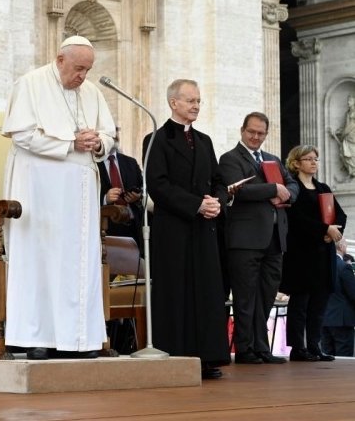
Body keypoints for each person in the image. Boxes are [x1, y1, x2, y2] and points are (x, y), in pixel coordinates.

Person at [2, 35, 116, 360]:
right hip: (40, 190)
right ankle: (37, 338)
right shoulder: (30, 84)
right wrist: (70, 143)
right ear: (60, 59)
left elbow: (109, 134)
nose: (82, 76)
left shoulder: (91, 92)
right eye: (78, 68)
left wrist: (98, 143)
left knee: (79, 262)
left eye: (87, 70)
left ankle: (81, 339)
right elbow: (22, 134)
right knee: (41, 259)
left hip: (80, 194)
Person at [145, 79, 230, 380]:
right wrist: (196, 204)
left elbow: (219, 180)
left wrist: (217, 201)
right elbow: (158, 185)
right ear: (173, 103)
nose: (196, 106)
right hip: (174, 229)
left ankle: (208, 357)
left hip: (204, 228)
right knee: (176, 292)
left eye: (198, 101)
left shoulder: (205, 140)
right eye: (190, 100)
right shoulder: (156, 139)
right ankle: (177, 356)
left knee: (207, 292)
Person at [218, 112, 298, 365]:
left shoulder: (273, 160)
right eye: (251, 131)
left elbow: (293, 185)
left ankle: (261, 348)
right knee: (245, 297)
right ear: (242, 130)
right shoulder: (229, 158)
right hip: (244, 240)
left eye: (260, 133)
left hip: (275, 239)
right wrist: (274, 189)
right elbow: (238, 189)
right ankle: (244, 349)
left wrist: (287, 194)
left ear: (266, 134)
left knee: (266, 295)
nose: (255, 137)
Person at [280, 145, 346, 362]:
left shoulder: (323, 188)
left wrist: (333, 232)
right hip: (301, 255)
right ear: (296, 163)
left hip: (323, 253)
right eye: (308, 159)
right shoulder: (294, 188)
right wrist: (323, 230)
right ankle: (298, 348)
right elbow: (296, 219)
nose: (313, 162)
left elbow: (340, 215)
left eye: (315, 159)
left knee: (319, 302)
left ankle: (315, 346)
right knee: (300, 304)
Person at [99, 127, 144, 249]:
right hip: (106, 228)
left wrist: (137, 197)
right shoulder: (92, 164)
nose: (113, 137)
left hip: (133, 226)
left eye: (115, 134)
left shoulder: (130, 162)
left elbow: (143, 187)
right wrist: (105, 199)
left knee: (134, 266)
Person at [321, 239, 355, 357]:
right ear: (341, 246)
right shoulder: (344, 267)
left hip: (324, 318)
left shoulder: (322, 266)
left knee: (327, 355)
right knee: (343, 357)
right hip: (342, 320)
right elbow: (353, 294)